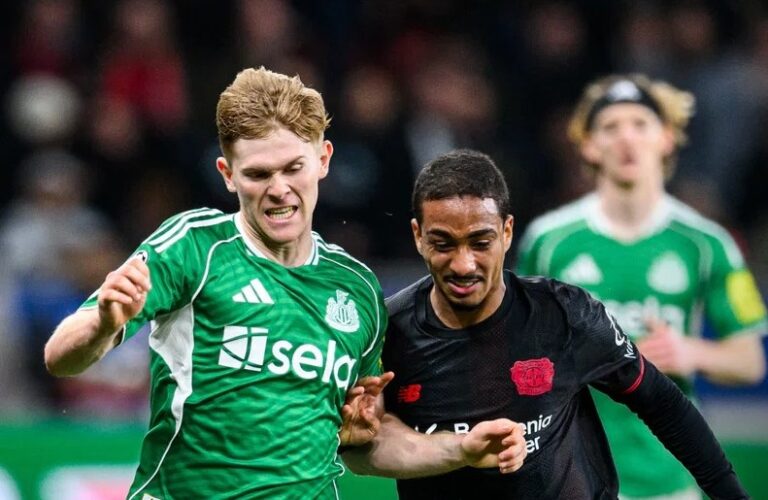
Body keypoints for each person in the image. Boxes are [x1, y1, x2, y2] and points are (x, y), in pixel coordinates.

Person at [43, 67, 526, 499]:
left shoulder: (357, 289)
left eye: (294, 167)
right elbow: (60, 357)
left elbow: (365, 441)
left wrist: (460, 448)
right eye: (258, 174)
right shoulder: (194, 246)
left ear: (323, 159)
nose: (279, 189)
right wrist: (104, 323)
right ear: (228, 174)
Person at [344, 148, 749, 499]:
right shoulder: (386, 330)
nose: (463, 264)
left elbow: (663, 403)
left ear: (507, 232)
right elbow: (363, 449)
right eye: (443, 244)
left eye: (481, 243)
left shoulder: (565, 315)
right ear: (418, 236)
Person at [517, 74, 767, 499]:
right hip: (575, 478)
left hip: (670, 479)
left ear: (666, 138)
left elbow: (751, 361)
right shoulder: (548, 241)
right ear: (588, 145)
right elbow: (518, 350)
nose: (626, 138)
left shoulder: (707, 244)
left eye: (640, 124)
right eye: (610, 127)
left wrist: (691, 352)